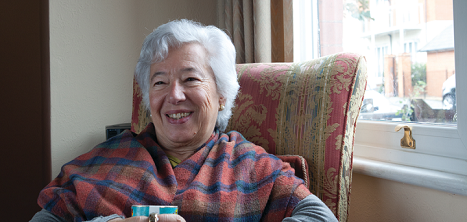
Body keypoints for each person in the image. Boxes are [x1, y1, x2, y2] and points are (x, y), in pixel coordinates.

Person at [31, 19, 337, 222]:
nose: (174, 95)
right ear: (149, 99)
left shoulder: (251, 164)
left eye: (190, 78)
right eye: (159, 83)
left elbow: (320, 217)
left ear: (221, 95)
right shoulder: (104, 160)